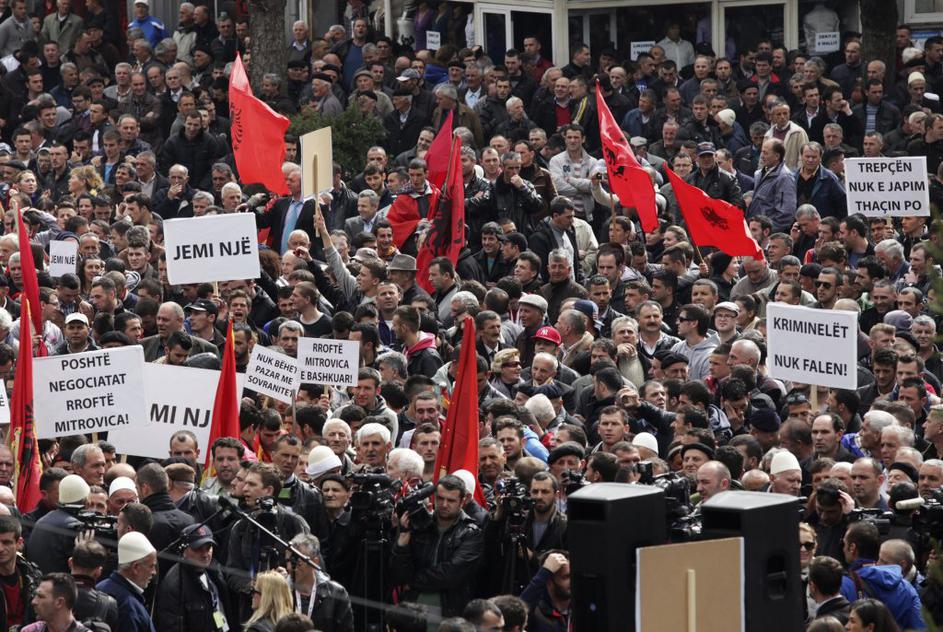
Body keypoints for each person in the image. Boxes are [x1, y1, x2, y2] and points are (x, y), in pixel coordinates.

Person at [390, 475, 484, 617]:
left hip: (451, 610)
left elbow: (450, 574)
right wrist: (402, 540)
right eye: (440, 498)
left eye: (451, 500)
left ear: (462, 501)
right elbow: (398, 573)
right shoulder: (420, 527)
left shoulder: (471, 533)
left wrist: (413, 581)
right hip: (413, 608)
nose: (444, 504)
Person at [155, 524, 235, 632]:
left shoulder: (215, 572)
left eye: (208, 548)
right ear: (183, 550)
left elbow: (217, 610)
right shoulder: (174, 585)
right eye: (198, 549)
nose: (205, 554)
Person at [96, 532, 158, 632]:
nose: (154, 572)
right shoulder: (130, 609)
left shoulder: (99, 588)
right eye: (151, 566)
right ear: (136, 567)